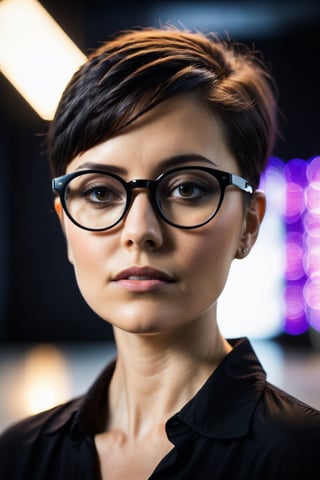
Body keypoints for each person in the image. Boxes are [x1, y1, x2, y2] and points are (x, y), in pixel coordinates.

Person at [0, 25, 319, 480]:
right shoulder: (19, 458)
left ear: (249, 223)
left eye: (187, 188)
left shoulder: (303, 459)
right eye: (99, 193)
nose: (140, 231)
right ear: (64, 224)